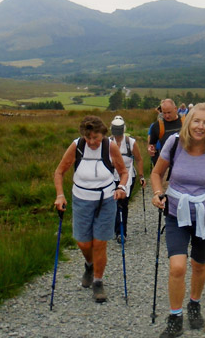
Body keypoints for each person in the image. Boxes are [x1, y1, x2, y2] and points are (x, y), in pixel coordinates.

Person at [151, 103, 205, 337]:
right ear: (188, 121)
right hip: (175, 212)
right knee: (177, 267)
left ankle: (194, 304)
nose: (200, 126)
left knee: (199, 264)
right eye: (197, 121)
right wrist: (157, 194)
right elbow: (156, 173)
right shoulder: (174, 143)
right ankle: (175, 316)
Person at [54, 115, 129, 303]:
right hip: (81, 199)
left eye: (96, 138)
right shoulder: (77, 146)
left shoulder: (109, 146)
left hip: (106, 199)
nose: (92, 142)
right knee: (83, 243)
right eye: (89, 138)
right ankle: (89, 264)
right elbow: (59, 171)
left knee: (99, 243)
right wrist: (60, 195)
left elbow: (124, 172)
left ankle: (98, 281)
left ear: (102, 134)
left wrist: (121, 187)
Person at [109, 115, 147, 243]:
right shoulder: (108, 142)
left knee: (123, 203)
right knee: (114, 203)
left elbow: (139, 159)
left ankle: (121, 232)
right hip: (111, 177)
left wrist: (141, 176)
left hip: (128, 176)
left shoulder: (131, 143)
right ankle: (116, 230)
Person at [148, 98, 184, 166]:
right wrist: (150, 149)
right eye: (164, 113)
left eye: (169, 112)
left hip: (184, 164)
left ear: (175, 109)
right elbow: (152, 144)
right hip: (166, 166)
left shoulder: (185, 122)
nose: (167, 116)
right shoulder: (157, 126)